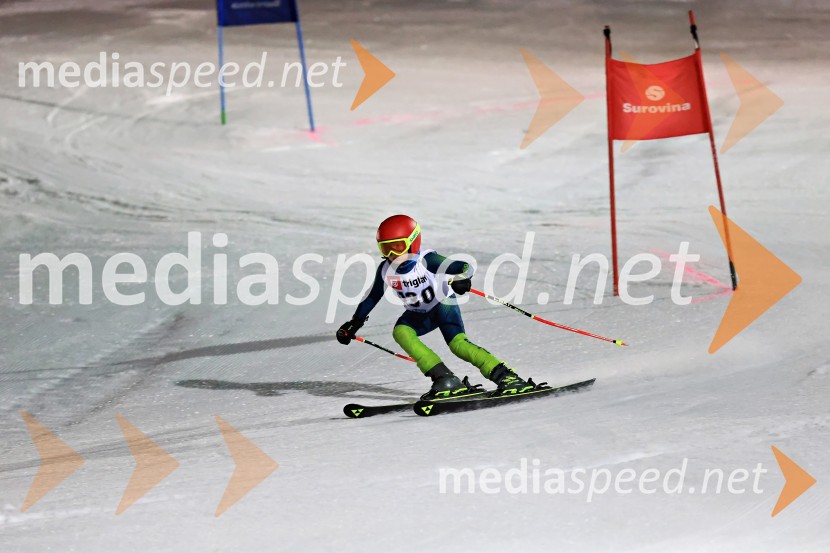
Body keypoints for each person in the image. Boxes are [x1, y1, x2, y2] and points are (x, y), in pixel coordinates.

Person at [336, 214, 532, 399]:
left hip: (443, 305)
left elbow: (464, 267)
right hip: (418, 313)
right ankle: (445, 379)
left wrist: (462, 279)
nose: (393, 254)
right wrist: (354, 323)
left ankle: (507, 377)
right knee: (401, 331)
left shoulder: (426, 260)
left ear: (414, 242)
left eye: (398, 246)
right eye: (386, 249)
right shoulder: (386, 270)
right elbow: (372, 297)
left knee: (458, 345)